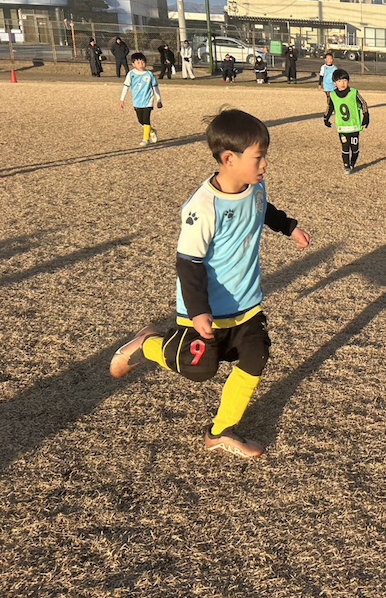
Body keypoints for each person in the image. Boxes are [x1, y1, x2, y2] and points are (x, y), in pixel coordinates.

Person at [109, 108, 311, 459]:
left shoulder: (255, 187)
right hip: (205, 310)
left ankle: (221, 432)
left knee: (256, 356)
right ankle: (148, 345)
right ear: (229, 159)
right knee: (200, 368)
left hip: (246, 304)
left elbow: (263, 209)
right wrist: (199, 310)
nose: (265, 164)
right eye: (259, 157)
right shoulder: (203, 207)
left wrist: (289, 227)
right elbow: (188, 263)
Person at [329, 68, 369, 174]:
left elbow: (363, 103)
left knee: (354, 148)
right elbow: (330, 107)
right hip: (342, 127)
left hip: (354, 126)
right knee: (345, 147)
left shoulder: (353, 93)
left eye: (345, 80)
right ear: (335, 83)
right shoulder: (332, 95)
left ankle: (352, 162)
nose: (342, 83)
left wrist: (366, 116)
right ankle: (346, 166)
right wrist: (326, 118)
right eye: (339, 81)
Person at [119, 52, 162, 147]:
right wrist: (122, 99)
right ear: (133, 64)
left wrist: (159, 99)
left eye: (143, 62)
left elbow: (155, 87)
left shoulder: (149, 74)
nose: (141, 64)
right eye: (138, 63)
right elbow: (126, 87)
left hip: (148, 100)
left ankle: (145, 139)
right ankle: (152, 131)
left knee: (146, 119)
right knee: (141, 120)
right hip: (137, 101)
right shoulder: (131, 74)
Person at [318, 52, 338, 126]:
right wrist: (319, 84)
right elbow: (321, 76)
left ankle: (333, 108)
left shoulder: (335, 68)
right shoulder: (323, 67)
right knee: (329, 99)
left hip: (333, 86)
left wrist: (336, 83)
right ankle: (329, 111)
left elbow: (336, 77)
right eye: (328, 59)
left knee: (334, 98)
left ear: (333, 59)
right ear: (325, 60)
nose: (329, 60)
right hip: (327, 86)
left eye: (331, 59)